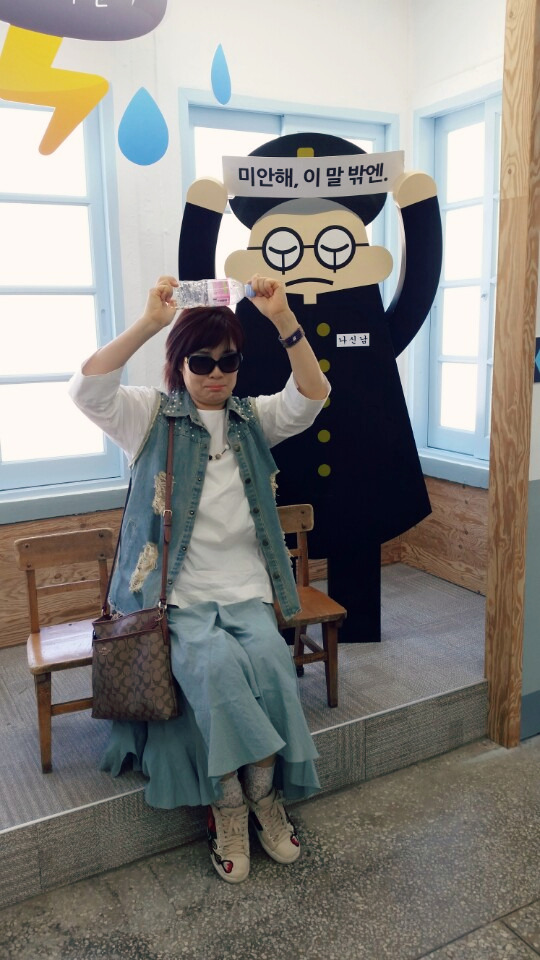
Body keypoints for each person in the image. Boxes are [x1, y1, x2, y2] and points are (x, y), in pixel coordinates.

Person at [69, 274, 330, 884]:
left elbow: (312, 395)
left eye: (228, 361)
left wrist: (284, 319)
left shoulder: (251, 419)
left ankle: (264, 796)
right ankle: (228, 808)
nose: (216, 373)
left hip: (247, 592)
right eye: (201, 361)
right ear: (179, 363)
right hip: (178, 601)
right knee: (216, 674)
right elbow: (86, 389)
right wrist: (149, 322)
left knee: (272, 667)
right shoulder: (149, 417)